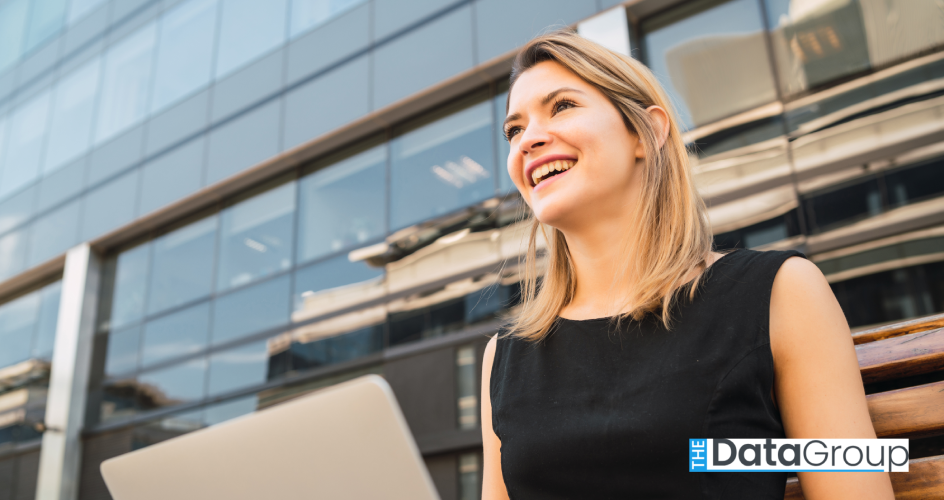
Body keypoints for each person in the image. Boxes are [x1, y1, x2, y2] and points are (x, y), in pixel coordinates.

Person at [480, 30, 894, 499]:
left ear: (646, 132)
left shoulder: (783, 292)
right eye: (515, 130)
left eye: (562, 106)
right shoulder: (505, 356)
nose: (528, 139)